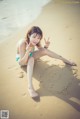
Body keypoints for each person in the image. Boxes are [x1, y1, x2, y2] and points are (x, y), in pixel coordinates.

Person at [16, 26, 76, 98]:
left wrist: (46, 46)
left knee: (44, 51)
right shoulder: (23, 43)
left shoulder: (35, 42)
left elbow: (42, 51)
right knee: (31, 59)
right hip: (22, 59)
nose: (36, 40)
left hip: (30, 54)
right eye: (34, 37)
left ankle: (67, 61)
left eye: (38, 38)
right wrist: (28, 51)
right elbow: (21, 63)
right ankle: (30, 87)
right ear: (29, 35)